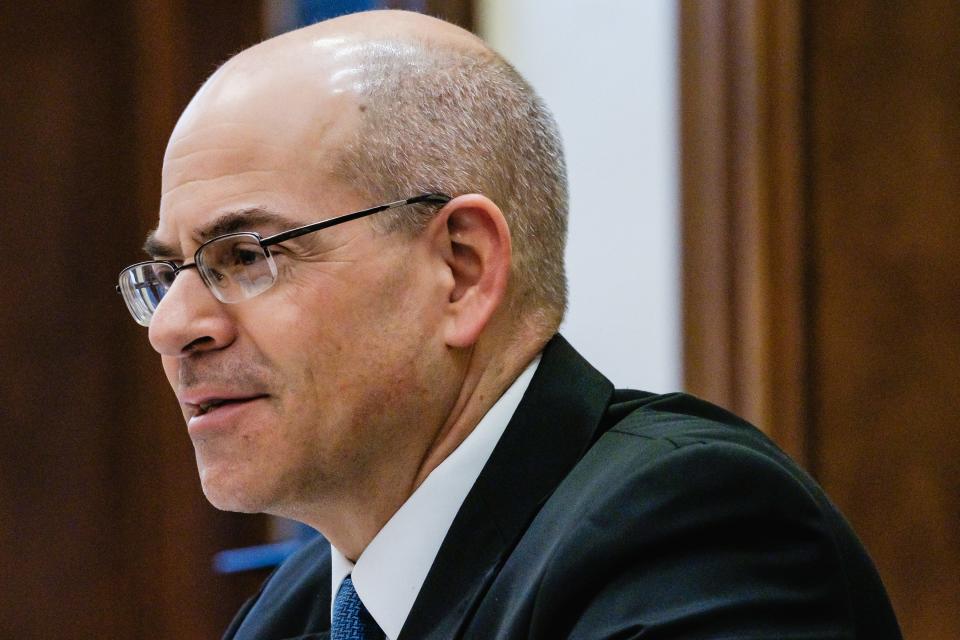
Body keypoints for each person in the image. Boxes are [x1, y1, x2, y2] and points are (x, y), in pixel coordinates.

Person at [116, 9, 901, 640]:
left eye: (245, 255)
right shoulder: (292, 615)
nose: (173, 325)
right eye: (168, 272)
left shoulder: (694, 533)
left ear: (461, 269)